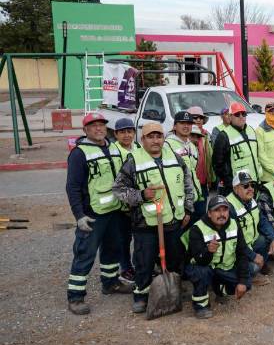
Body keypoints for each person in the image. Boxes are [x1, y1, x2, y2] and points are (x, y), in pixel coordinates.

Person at [112, 122, 195, 313]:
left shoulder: (174, 157)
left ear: (163, 138)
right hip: (146, 224)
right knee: (144, 261)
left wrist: (188, 209)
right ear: (143, 139)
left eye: (159, 136)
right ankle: (141, 295)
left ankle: (172, 289)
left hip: (173, 221)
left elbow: (187, 183)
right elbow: (118, 190)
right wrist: (141, 195)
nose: (155, 140)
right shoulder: (134, 160)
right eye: (151, 137)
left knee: (175, 259)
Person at [65, 112, 131, 315]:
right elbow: (72, 187)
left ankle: (110, 283)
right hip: (92, 214)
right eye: (93, 126)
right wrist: (79, 215)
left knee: (112, 249)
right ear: (85, 130)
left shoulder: (114, 148)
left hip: (114, 210)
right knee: (85, 254)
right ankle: (76, 297)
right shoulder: (79, 154)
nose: (98, 128)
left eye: (101, 125)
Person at [182, 195, 250, 319]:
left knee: (246, 283)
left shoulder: (234, 224)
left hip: (223, 268)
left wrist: (243, 281)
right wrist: (208, 251)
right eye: (217, 210)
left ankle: (217, 288)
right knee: (202, 272)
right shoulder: (197, 228)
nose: (222, 214)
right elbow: (198, 259)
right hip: (201, 265)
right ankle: (201, 306)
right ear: (209, 213)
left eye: (225, 210)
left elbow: (242, 253)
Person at [227, 170, 274, 285]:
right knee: (253, 267)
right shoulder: (229, 207)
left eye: (252, 185)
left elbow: (263, 221)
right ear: (235, 189)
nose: (250, 188)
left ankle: (258, 266)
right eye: (245, 186)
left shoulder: (251, 200)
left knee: (268, 240)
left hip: (250, 243)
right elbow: (234, 242)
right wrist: (253, 255)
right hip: (235, 251)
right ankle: (246, 276)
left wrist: (273, 238)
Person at [111, 118, 141, 283]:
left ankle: (139, 265)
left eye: (129, 131)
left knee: (140, 237)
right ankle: (126, 268)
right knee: (123, 239)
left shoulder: (139, 148)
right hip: (121, 205)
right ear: (116, 134)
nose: (127, 135)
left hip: (138, 202)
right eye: (122, 132)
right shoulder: (112, 150)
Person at [213, 102, 261, 195]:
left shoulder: (251, 130)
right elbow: (217, 164)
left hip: (253, 183)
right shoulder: (223, 135)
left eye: (243, 114)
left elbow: (256, 155)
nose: (241, 117)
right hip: (237, 186)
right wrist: (229, 182)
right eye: (237, 114)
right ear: (230, 117)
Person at [166, 111, 205, 220]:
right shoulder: (167, 145)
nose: (186, 126)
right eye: (182, 123)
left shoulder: (191, 146)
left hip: (196, 197)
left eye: (189, 123)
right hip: (180, 200)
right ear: (174, 126)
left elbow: (193, 171)